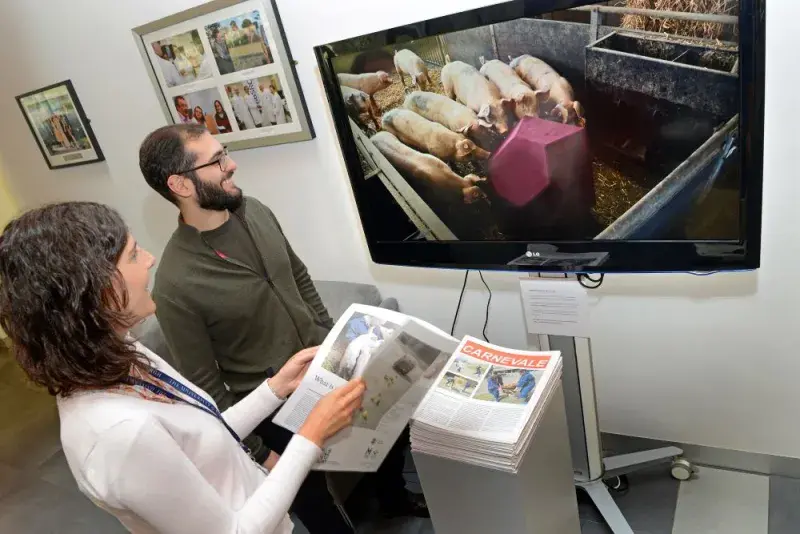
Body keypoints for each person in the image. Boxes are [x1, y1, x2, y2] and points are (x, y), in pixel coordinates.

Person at [0, 201, 366, 534]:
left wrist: (274, 389)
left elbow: (205, 436)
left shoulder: (123, 351)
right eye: (133, 255)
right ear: (95, 289)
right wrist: (311, 437)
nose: (150, 259)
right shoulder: (119, 436)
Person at [139, 124, 429, 530]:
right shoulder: (174, 282)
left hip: (327, 365)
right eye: (217, 160)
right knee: (315, 501)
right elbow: (206, 385)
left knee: (388, 421)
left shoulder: (255, 210)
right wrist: (258, 451)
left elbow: (299, 275)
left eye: (225, 152)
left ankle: (393, 498)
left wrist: (332, 335)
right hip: (272, 405)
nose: (231, 165)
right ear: (180, 185)